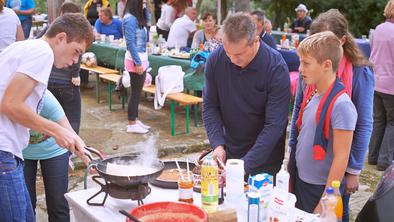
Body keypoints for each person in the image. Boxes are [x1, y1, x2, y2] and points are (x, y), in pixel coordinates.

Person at [0, 13, 93, 221]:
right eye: (76, 51)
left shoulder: (24, 46)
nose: (74, 61)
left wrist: (74, 139)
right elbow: (10, 104)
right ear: (61, 38)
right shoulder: (42, 52)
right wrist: (56, 130)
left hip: (9, 152)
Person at [289, 9, 374, 222]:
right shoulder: (311, 80)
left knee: (333, 214)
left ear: (342, 42)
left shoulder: (355, 79)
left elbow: (362, 124)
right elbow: (299, 112)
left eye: (306, 63)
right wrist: (292, 155)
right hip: (304, 173)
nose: (300, 69)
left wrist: (353, 170)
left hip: (327, 177)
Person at [202, 13, 290, 176]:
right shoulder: (216, 60)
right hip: (230, 151)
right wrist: (217, 144)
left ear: (256, 40)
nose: (232, 59)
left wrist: (246, 165)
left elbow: (275, 125)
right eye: (228, 52)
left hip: (266, 159)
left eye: (239, 55)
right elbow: (210, 106)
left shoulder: (276, 68)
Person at [289, 31, 357, 214]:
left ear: (327, 65)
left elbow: (341, 157)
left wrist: (326, 201)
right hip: (303, 181)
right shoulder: (314, 93)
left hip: (320, 189)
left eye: (306, 63)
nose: (300, 69)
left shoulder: (341, 105)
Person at [23, 91, 75, 222]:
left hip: (54, 149)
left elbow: (70, 133)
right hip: (21, 151)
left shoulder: (46, 99)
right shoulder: (8, 99)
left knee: (58, 203)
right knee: (25, 204)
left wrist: (87, 156)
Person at [46, 2, 84, 135]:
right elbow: (77, 55)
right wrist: (75, 73)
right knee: (72, 118)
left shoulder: (50, 28)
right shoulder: (77, 32)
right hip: (67, 82)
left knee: (52, 117)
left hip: (49, 81)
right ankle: (71, 148)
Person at [368, 0, 394, 172]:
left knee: (378, 120)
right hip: (391, 83)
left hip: (375, 80)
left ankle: (373, 156)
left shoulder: (378, 29)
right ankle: (384, 161)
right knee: (392, 122)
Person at [123, 0, 151, 134]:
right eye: (143, 2)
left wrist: (145, 9)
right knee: (135, 93)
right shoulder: (130, 19)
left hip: (142, 58)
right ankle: (131, 123)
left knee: (137, 93)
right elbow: (130, 43)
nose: (145, 5)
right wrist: (138, 63)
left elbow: (149, 20)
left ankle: (135, 119)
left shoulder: (138, 18)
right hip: (135, 60)